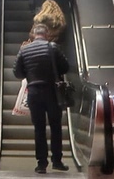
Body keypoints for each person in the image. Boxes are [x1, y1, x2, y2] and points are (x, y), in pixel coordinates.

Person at [14, 24, 70, 174]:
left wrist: (30, 73)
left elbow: (17, 73)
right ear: (47, 34)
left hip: (34, 92)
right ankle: (57, 161)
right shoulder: (53, 47)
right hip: (52, 91)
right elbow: (65, 67)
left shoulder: (24, 50)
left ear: (33, 34)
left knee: (39, 128)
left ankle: (41, 164)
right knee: (55, 127)